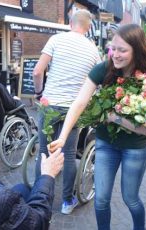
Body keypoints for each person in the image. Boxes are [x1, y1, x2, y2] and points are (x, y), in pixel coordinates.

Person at [49, 24, 146, 230]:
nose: (115, 55)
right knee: (101, 200)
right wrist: (63, 137)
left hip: (135, 147)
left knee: (131, 199)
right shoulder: (105, 68)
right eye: (113, 48)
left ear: (137, 50)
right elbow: (80, 102)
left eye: (122, 50)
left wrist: (114, 118)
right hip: (106, 144)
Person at [32, 9, 101, 215]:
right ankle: (66, 202)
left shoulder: (56, 40)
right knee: (69, 155)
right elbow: (97, 84)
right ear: (88, 27)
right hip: (74, 108)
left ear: (71, 23)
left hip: (50, 104)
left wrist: (38, 93)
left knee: (43, 152)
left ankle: (39, 196)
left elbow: (37, 71)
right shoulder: (93, 50)